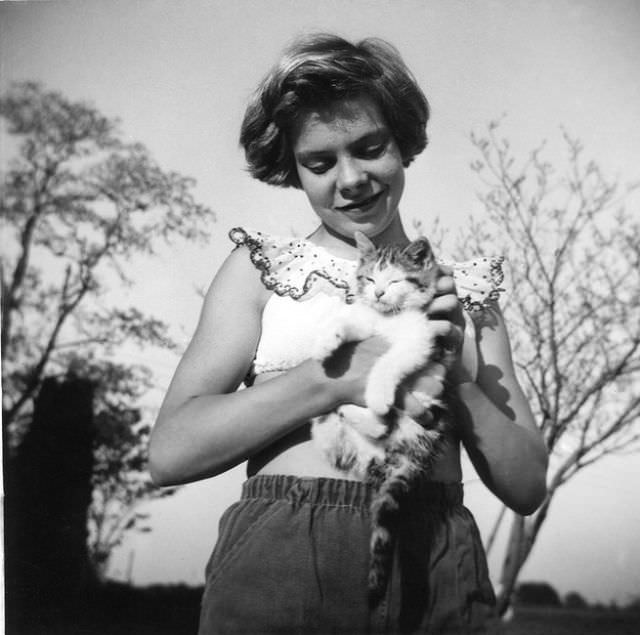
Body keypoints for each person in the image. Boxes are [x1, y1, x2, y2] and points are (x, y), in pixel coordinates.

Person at [149, 33, 548, 634]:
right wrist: (337, 378)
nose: (352, 178)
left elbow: (526, 484)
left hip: (435, 559)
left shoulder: (466, 293)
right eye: (320, 162)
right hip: (283, 554)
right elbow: (170, 451)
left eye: (370, 148)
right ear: (293, 168)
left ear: (402, 142)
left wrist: (456, 377)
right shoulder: (265, 272)